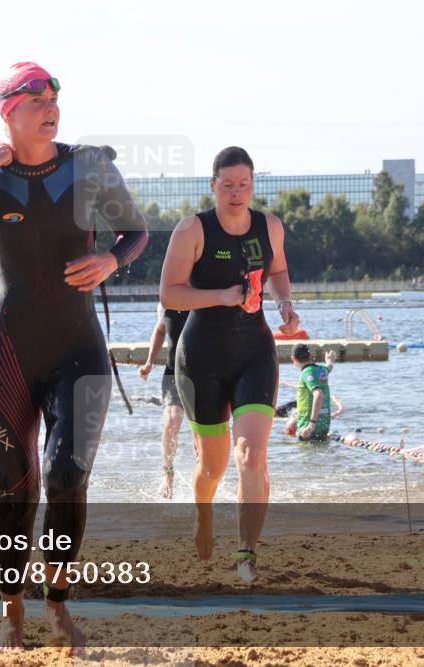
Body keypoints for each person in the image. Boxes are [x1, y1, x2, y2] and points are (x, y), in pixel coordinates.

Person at [0, 62, 147, 651]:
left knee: (68, 476)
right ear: (7, 111)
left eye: (55, 95)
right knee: (18, 489)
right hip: (8, 352)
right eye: (36, 97)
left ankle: (59, 601)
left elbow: (137, 233)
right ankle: (12, 612)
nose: (50, 105)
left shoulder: (88, 166)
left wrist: (112, 262)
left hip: (78, 348)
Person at [159, 146, 300, 583]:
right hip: (200, 357)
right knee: (212, 468)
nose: (236, 193)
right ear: (213, 185)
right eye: (228, 185)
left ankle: (246, 553)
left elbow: (277, 271)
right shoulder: (192, 230)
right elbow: (169, 293)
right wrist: (219, 297)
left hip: (254, 353)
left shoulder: (269, 226)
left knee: (252, 455)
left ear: (253, 185)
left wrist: (285, 303)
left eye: (244, 185)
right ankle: (203, 514)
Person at [138, 304, 189, 499]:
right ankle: (168, 475)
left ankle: (206, 484)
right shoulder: (167, 301)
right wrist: (150, 361)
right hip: (173, 373)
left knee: (200, 438)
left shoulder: (206, 289)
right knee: (171, 423)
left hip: (204, 374)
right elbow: (160, 330)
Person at [285, 347, 338, 441]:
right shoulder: (322, 370)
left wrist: (311, 424)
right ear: (310, 356)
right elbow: (329, 367)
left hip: (308, 429)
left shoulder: (306, 373)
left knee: (304, 454)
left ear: (293, 358)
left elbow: (319, 395)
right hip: (323, 426)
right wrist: (329, 361)